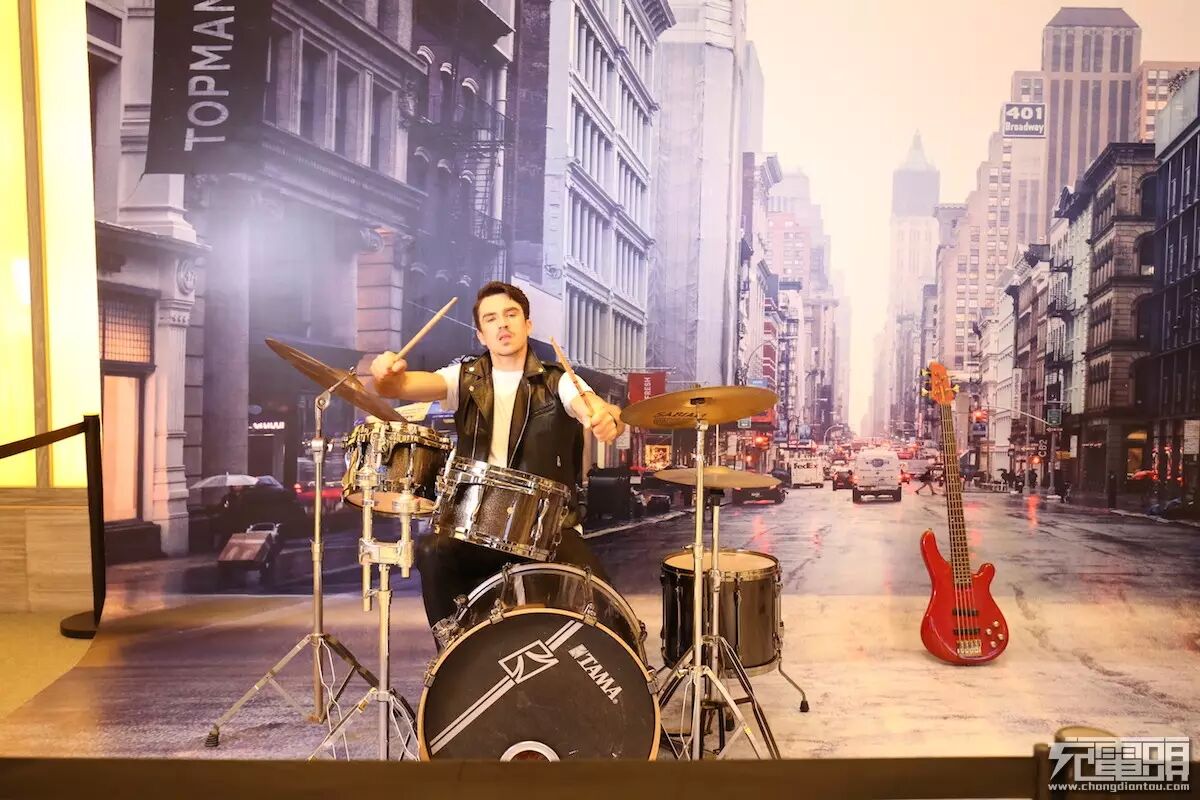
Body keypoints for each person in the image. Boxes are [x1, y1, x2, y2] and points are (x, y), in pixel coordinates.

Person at [369, 281, 626, 628]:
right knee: (431, 550)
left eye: (511, 314)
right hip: (476, 526)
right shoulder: (463, 378)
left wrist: (607, 417)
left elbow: (593, 406)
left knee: (606, 609)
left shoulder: (558, 380)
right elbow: (397, 386)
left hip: (547, 528)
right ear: (481, 334)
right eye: (491, 318)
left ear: (527, 325)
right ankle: (454, 648)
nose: (502, 324)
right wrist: (384, 373)